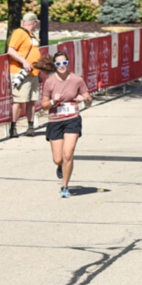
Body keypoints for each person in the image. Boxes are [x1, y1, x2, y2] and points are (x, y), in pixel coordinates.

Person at [40, 51, 91, 198]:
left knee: (68, 154)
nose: (62, 66)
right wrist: (52, 101)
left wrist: (85, 100)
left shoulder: (77, 80)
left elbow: (89, 99)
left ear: (68, 63)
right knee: (58, 159)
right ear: (55, 65)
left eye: (64, 63)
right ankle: (61, 166)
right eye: (58, 64)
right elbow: (43, 106)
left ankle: (65, 185)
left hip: (72, 119)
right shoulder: (50, 82)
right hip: (55, 120)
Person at [7, 12, 42, 138]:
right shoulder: (19, 32)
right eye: (36, 23)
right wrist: (24, 62)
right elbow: (10, 50)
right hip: (20, 72)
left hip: (33, 73)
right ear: (33, 23)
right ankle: (13, 127)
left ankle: (30, 126)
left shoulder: (31, 35)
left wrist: (39, 71)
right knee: (19, 100)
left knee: (31, 100)